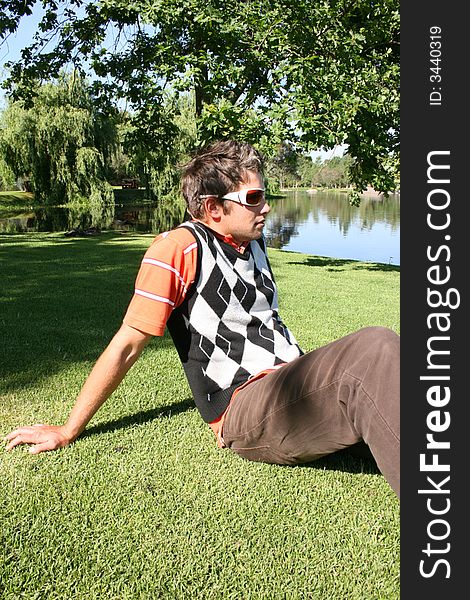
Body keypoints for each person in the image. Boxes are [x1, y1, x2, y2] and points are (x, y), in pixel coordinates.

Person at [4, 140, 400, 497]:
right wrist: (69, 428)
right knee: (375, 347)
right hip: (244, 407)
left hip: (290, 384)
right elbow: (127, 344)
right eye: (255, 197)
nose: (266, 206)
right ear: (213, 208)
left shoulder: (252, 242)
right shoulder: (176, 249)